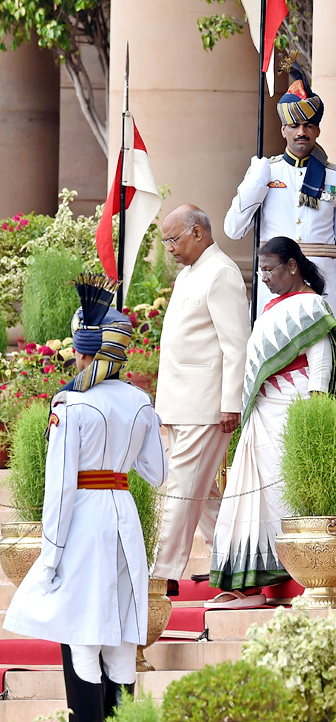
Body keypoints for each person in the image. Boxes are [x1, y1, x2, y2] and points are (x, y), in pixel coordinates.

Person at [3, 274, 168, 722]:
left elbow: (60, 490)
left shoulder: (70, 405)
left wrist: (50, 559)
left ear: (81, 351)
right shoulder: (140, 401)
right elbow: (156, 472)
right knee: (119, 641)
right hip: (124, 516)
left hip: (84, 525)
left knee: (82, 636)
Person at [206, 236, 336, 608]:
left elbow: (322, 361)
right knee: (248, 498)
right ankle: (247, 581)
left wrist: (315, 414)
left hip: (294, 411)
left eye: (270, 269)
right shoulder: (271, 308)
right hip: (262, 414)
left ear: (292, 266)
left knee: (285, 493)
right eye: (261, 270)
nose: (264, 277)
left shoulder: (312, 306)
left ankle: (300, 570)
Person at [151, 205, 250, 596]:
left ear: (197, 232)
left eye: (173, 239)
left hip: (206, 404)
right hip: (180, 402)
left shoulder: (222, 272)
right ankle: (238, 562)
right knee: (203, 491)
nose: (170, 248)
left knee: (180, 487)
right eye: (165, 242)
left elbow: (236, 344)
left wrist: (231, 402)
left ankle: (161, 572)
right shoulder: (190, 273)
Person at [224, 64, 336, 339]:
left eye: (309, 125)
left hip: (322, 289)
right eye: (294, 125)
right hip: (273, 288)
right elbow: (233, 229)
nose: (302, 132)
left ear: (317, 131)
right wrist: (254, 182)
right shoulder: (266, 173)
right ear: (283, 129)